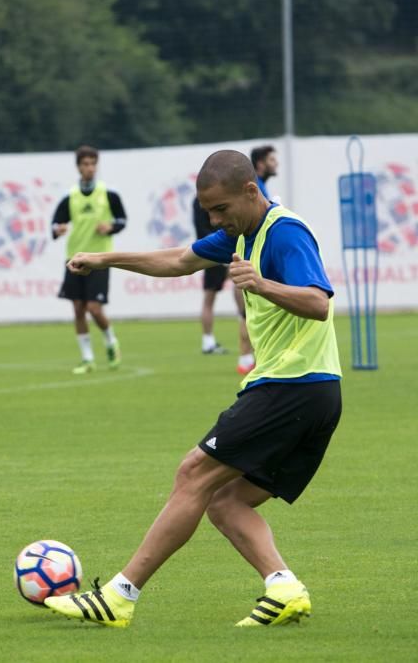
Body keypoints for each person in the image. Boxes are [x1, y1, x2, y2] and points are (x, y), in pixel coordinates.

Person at [46, 150, 341, 628]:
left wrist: (262, 285)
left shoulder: (285, 231)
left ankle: (119, 596)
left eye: (221, 209)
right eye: (209, 212)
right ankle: (283, 587)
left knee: (193, 474)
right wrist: (105, 259)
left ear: (251, 191)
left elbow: (318, 302)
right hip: (312, 392)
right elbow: (179, 260)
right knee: (226, 502)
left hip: (293, 386)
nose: (215, 219)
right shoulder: (239, 233)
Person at [51, 145, 126, 374]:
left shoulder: (108, 194)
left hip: (100, 259)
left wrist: (110, 227)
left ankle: (111, 342)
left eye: (93, 163)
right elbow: (55, 225)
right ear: (78, 167)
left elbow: (122, 220)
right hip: (74, 259)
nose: (89, 168)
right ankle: (87, 358)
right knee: (78, 309)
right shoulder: (70, 196)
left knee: (94, 308)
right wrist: (59, 229)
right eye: (85, 164)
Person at [193, 196, 256, 374]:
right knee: (216, 295)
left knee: (238, 286)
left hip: (218, 248)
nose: (215, 218)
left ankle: (215, 342)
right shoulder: (208, 198)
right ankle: (210, 342)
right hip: (216, 249)